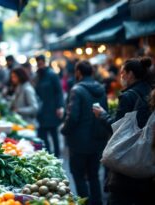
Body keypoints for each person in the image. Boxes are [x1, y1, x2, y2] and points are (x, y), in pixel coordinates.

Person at [93, 57, 153, 205]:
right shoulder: (150, 92)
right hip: (147, 160)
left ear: (130, 74)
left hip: (127, 161)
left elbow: (118, 129)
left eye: (122, 73)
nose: (121, 77)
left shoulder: (128, 97)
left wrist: (102, 115)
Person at [61, 61, 108, 205]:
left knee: (79, 175)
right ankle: (98, 202)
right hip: (97, 139)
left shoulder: (77, 90)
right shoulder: (101, 88)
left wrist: (64, 130)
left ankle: (85, 202)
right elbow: (104, 112)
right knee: (94, 175)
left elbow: (72, 117)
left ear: (78, 72)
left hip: (79, 142)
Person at [34, 54, 64, 157]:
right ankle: (48, 154)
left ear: (44, 62)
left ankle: (57, 155)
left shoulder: (52, 75)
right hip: (41, 111)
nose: (40, 64)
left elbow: (59, 92)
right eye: (38, 63)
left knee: (54, 134)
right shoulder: (37, 76)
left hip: (52, 109)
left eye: (41, 62)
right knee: (43, 135)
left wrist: (60, 106)